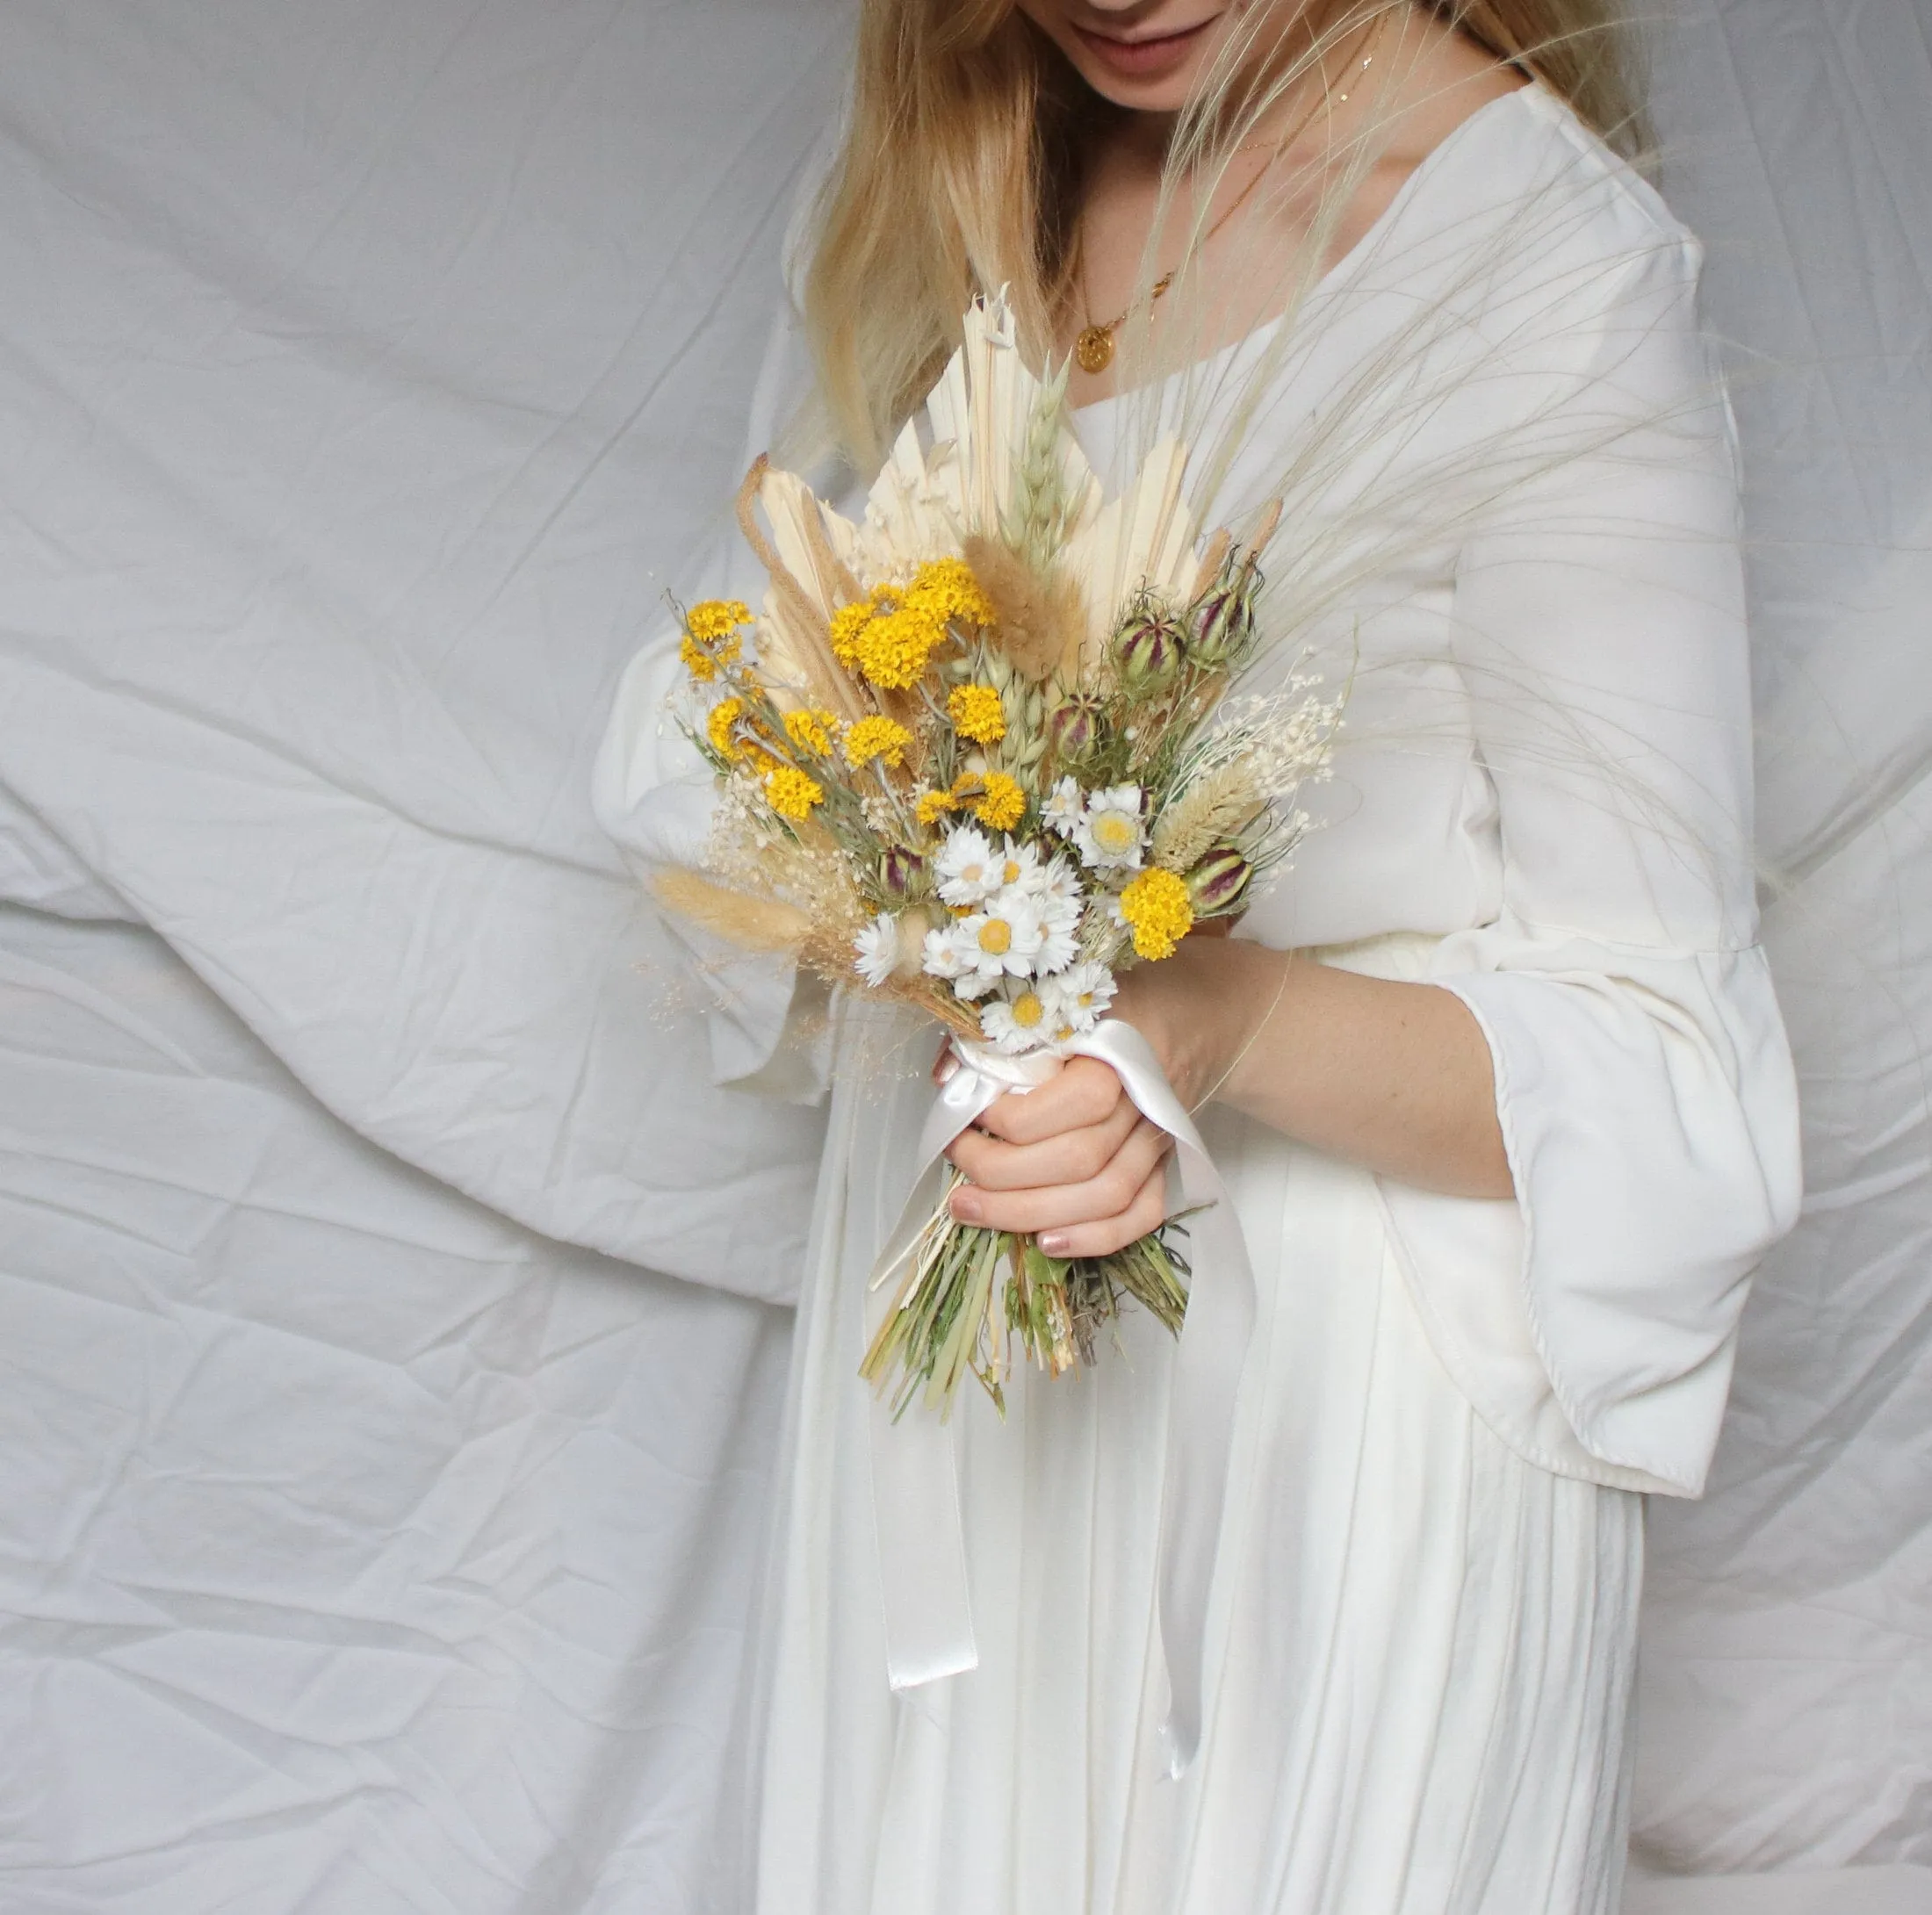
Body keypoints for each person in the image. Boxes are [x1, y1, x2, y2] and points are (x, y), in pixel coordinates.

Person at [595, 3, 1803, 1909]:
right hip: (972, 1427)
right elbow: (733, 731)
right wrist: (918, 878)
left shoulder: (1531, 264)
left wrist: (1199, 1015)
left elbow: (1656, 1065)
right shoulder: (963, 176)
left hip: (1321, 1442)